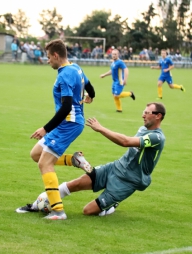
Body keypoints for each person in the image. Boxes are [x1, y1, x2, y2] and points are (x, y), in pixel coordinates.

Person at [16, 102, 166, 217]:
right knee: (76, 183)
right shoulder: (143, 129)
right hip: (115, 167)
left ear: (158, 116)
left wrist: (101, 128)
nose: (143, 115)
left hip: (129, 180)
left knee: (88, 211)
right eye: (144, 112)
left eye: (147, 113)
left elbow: (126, 142)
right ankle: (37, 205)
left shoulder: (157, 137)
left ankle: (112, 204)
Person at [17, 39, 95, 220]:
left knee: (44, 163)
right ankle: (73, 160)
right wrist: (91, 96)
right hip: (67, 123)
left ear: (56, 55)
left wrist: (45, 128)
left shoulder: (65, 75)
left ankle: (58, 211)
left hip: (69, 124)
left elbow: (66, 107)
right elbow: (90, 87)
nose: (47, 61)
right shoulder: (76, 68)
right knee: (36, 154)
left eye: (48, 57)